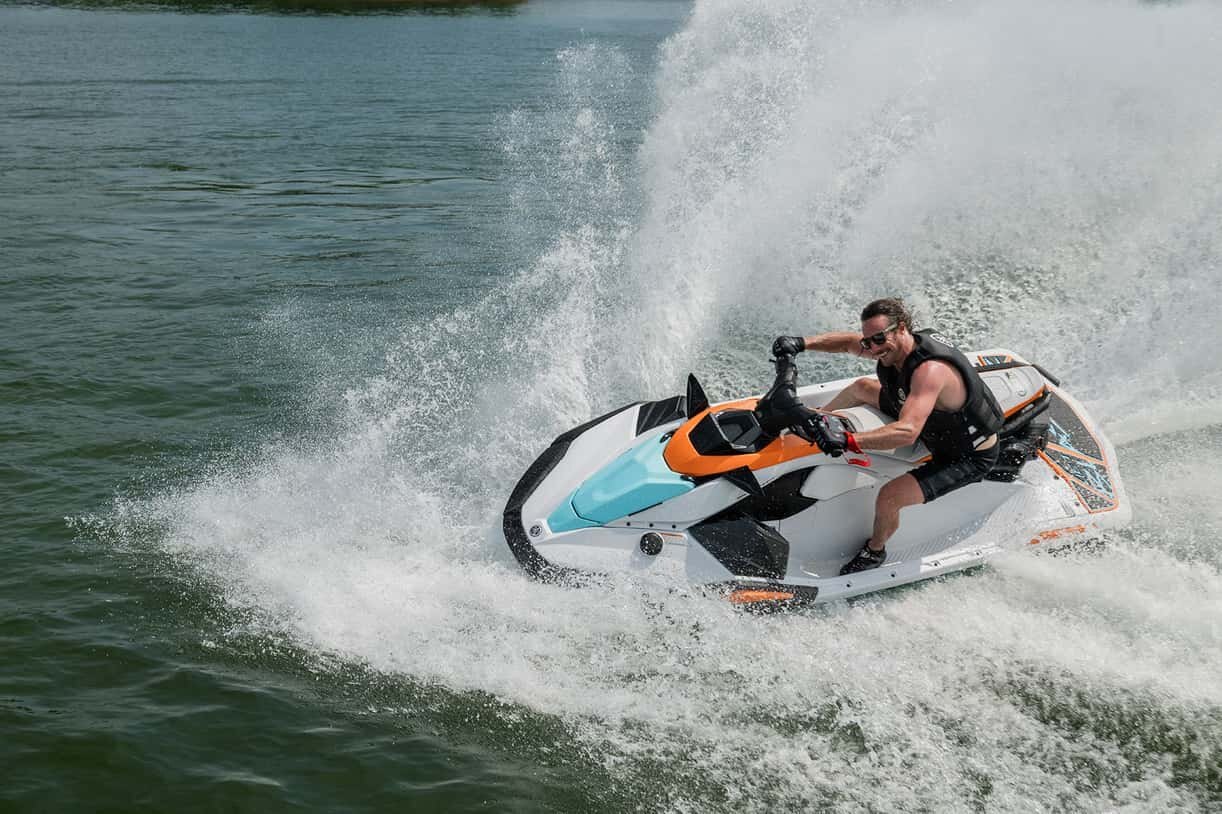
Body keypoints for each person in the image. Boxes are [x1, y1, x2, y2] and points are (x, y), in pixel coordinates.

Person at [771, 298, 1004, 575]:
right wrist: (800, 343)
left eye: (879, 339)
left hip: (965, 455)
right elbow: (847, 343)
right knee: (861, 387)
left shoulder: (930, 371)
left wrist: (848, 441)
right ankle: (816, 421)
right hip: (930, 422)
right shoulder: (888, 348)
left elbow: (907, 432)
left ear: (901, 328)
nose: (872, 348)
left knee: (889, 498)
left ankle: (875, 551)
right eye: (868, 341)